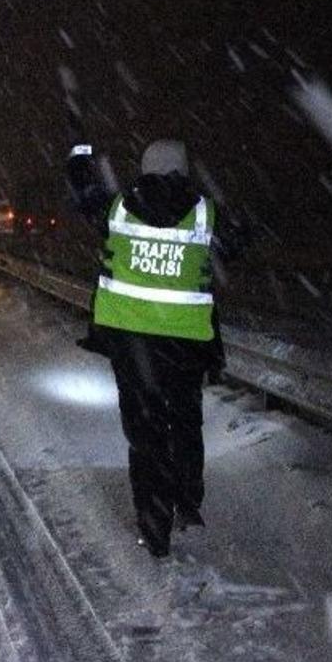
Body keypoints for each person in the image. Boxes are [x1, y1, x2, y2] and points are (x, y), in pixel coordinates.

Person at [66, 136, 228, 558]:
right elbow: (238, 245)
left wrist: (79, 151)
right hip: (185, 343)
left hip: (131, 342)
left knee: (146, 433)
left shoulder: (117, 209)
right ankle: (187, 503)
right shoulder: (206, 215)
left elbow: (83, 192)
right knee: (185, 422)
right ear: (183, 170)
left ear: (144, 167)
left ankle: (154, 527)